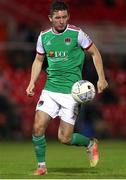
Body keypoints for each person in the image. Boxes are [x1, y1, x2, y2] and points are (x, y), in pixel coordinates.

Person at [26, 0, 108, 175]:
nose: (61, 20)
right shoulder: (44, 36)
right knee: (37, 127)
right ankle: (41, 166)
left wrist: (101, 78)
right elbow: (39, 60)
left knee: (64, 138)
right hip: (50, 90)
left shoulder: (77, 34)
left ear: (68, 17)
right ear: (50, 18)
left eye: (64, 17)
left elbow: (95, 53)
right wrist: (32, 82)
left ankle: (90, 143)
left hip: (72, 93)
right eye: (57, 17)